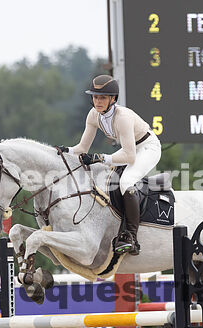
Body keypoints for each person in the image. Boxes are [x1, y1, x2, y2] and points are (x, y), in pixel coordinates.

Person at [66, 74, 161, 255]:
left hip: (148, 148)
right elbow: (82, 148)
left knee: (125, 182)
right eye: (95, 97)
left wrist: (100, 158)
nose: (97, 101)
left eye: (102, 97)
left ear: (113, 99)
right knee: (104, 177)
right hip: (128, 149)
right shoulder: (93, 115)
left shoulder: (122, 117)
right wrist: (65, 151)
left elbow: (130, 157)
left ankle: (131, 236)